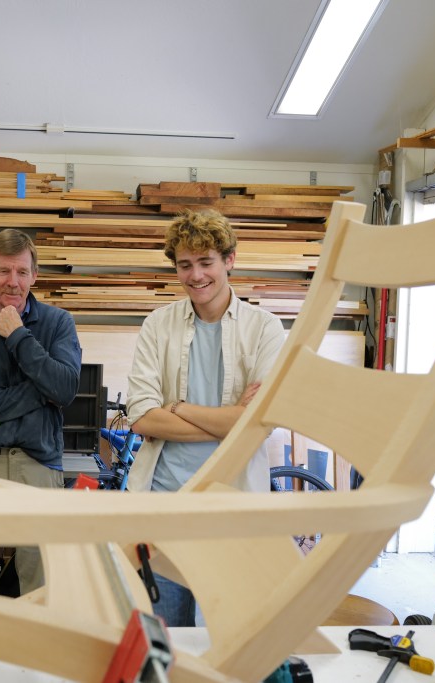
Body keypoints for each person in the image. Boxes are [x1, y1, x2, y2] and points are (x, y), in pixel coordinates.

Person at [126, 208, 285, 626]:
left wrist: (177, 408)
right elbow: (141, 417)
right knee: (167, 635)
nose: (195, 276)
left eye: (206, 262)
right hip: (165, 504)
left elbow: (261, 423)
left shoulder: (265, 329)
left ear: (229, 260)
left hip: (233, 505)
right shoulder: (158, 325)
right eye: (185, 265)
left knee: (234, 632)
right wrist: (232, 420)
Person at [0, 228, 82, 595]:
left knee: (43, 586)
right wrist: (40, 390)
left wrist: (19, 336)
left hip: (38, 464)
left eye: (22, 272)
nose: (13, 282)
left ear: (34, 276)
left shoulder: (58, 324)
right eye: (4, 271)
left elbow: (64, 389)